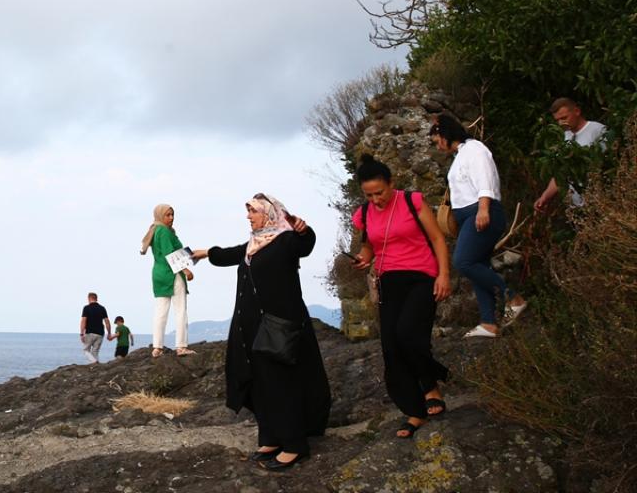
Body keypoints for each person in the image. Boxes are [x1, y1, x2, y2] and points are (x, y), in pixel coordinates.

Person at [191, 194, 330, 471]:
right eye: (248, 211)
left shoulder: (286, 240)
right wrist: (204, 253)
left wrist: (305, 229)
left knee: (281, 383)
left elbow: (306, 244)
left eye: (253, 211)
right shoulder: (253, 245)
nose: (248, 216)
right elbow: (228, 254)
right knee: (260, 382)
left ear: (268, 213)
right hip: (252, 328)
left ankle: (294, 445)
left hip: (280, 327)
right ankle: (270, 437)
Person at [350, 155, 452, 439]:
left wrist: (444, 275)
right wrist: (362, 259)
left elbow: (437, 239)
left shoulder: (412, 201)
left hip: (421, 276)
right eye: (369, 195)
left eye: (380, 192)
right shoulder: (365, 213)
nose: (376, 199)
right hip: (388, 281)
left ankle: (431, 385)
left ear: (391, 184)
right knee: (391, 347)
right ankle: (414, 411)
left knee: (408, 334)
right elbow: (370, 247)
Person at [430, 115, 527, 338]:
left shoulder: (475, 149)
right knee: (476, 265)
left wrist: (483, 209)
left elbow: (485, 181)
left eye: (437, 140)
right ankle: (488, 323)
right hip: (468, 217)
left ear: (445, 135)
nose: (437, 145)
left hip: (482, 212)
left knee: (463, 261)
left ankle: (513, 297)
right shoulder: (460, 155)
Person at [534, 98, 609, 212]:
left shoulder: (597, 130)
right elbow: (561, 173)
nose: (561, 123)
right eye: (557, 120)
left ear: (577, 111)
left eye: (564, 118)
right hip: (577, 207)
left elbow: (607, 164)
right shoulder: (565, 137)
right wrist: (545, 196)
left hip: (601, 202)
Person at [140, 204, 195, 357]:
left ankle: (157, 347)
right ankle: (181, 346)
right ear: (159, 216)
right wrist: (185, 269)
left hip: (158, 274)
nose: (171, 218)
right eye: (167, 215)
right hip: (172, 273)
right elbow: (169, 253)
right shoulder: (164, 231)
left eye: (172, 215)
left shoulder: (155, 230)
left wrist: (194, 256)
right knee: (180, 310)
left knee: (160, 311)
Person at [79, 293, 111, 364]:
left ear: (89, 298)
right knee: (95, 351)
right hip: (100, 333)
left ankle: (94, 362)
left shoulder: (86, 308)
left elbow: (83, 321)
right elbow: (107, 322)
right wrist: (109, 333)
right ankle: (96, 366)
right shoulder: (102, 308)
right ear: (96, 298)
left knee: (86, 350)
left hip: (90, 332)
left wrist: (81, 333)